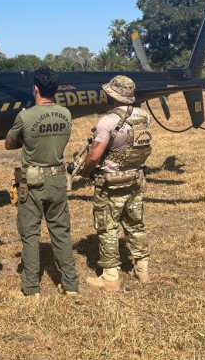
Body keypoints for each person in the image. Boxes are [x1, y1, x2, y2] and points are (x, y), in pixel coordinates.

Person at [5, 66, 79, 298]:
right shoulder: (66, 114)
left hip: (32, 181)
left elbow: (9, 143)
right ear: (55, 89)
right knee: (61, 232)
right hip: (57, 179)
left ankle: (30, 288)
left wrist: (27, 143)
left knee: (30, 234)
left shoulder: (25, 116)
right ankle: (70, 285)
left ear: (35, 88)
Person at [80, 75, 152, 292]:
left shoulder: (107, 121)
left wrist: (85, 172)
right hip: (135, 179)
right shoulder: (144, 117)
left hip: (110, 183)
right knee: (135, 224)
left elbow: (95, 156)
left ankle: (110, 277)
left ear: (111, 95)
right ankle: (142, 269)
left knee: (108, 228)